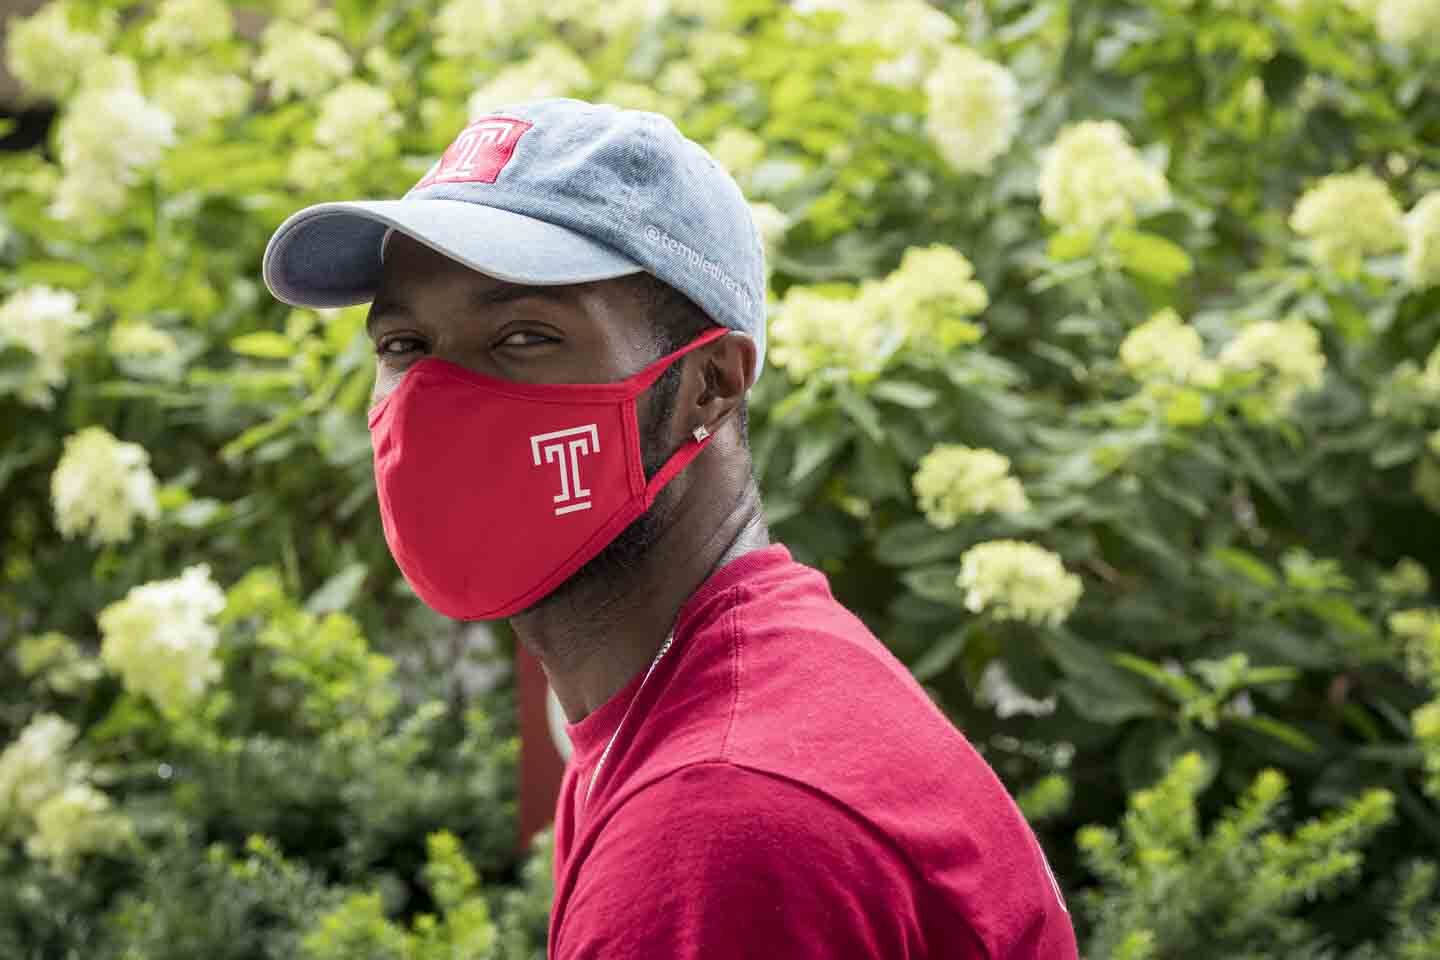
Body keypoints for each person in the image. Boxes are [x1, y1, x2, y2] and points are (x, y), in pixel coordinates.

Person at [262, 97, 1079, 959]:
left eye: (524, 336)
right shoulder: (712, 695)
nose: (439, 398)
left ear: (709, 384)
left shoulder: (719, 820)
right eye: (402, 345)